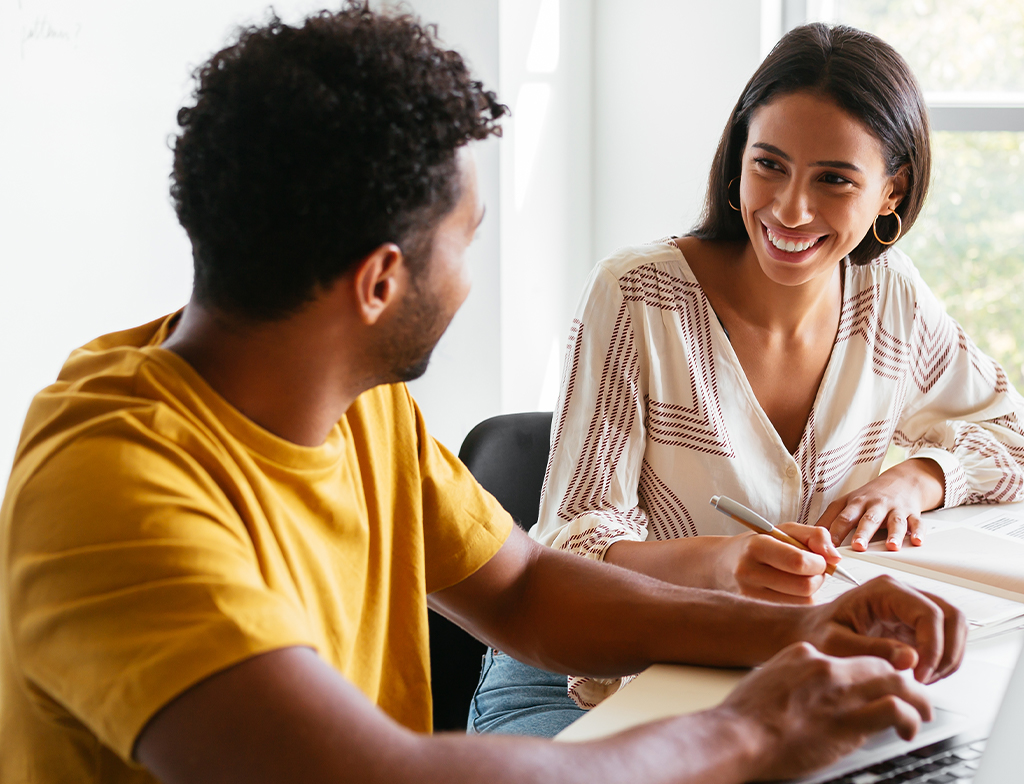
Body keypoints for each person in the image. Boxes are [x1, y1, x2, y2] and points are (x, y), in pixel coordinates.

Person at [0, 7, 967, 784]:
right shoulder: (111, 492)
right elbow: (374, 773)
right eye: (469, 236)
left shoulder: (355, 402)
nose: (471, 277)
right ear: (380, 282)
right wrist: (748, 735)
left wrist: (799, 629)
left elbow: (524, 589)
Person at [469, 22, 1024, 736]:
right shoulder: (637, 295)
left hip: (758, 668)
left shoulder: (890, 296)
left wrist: (914, 476)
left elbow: (1009, 435)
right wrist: (723, 565)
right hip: (587, 671)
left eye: (834, 179)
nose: (790, 210)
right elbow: (572, 544)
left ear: (892, 191)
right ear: (737, 162)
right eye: (768, 165)